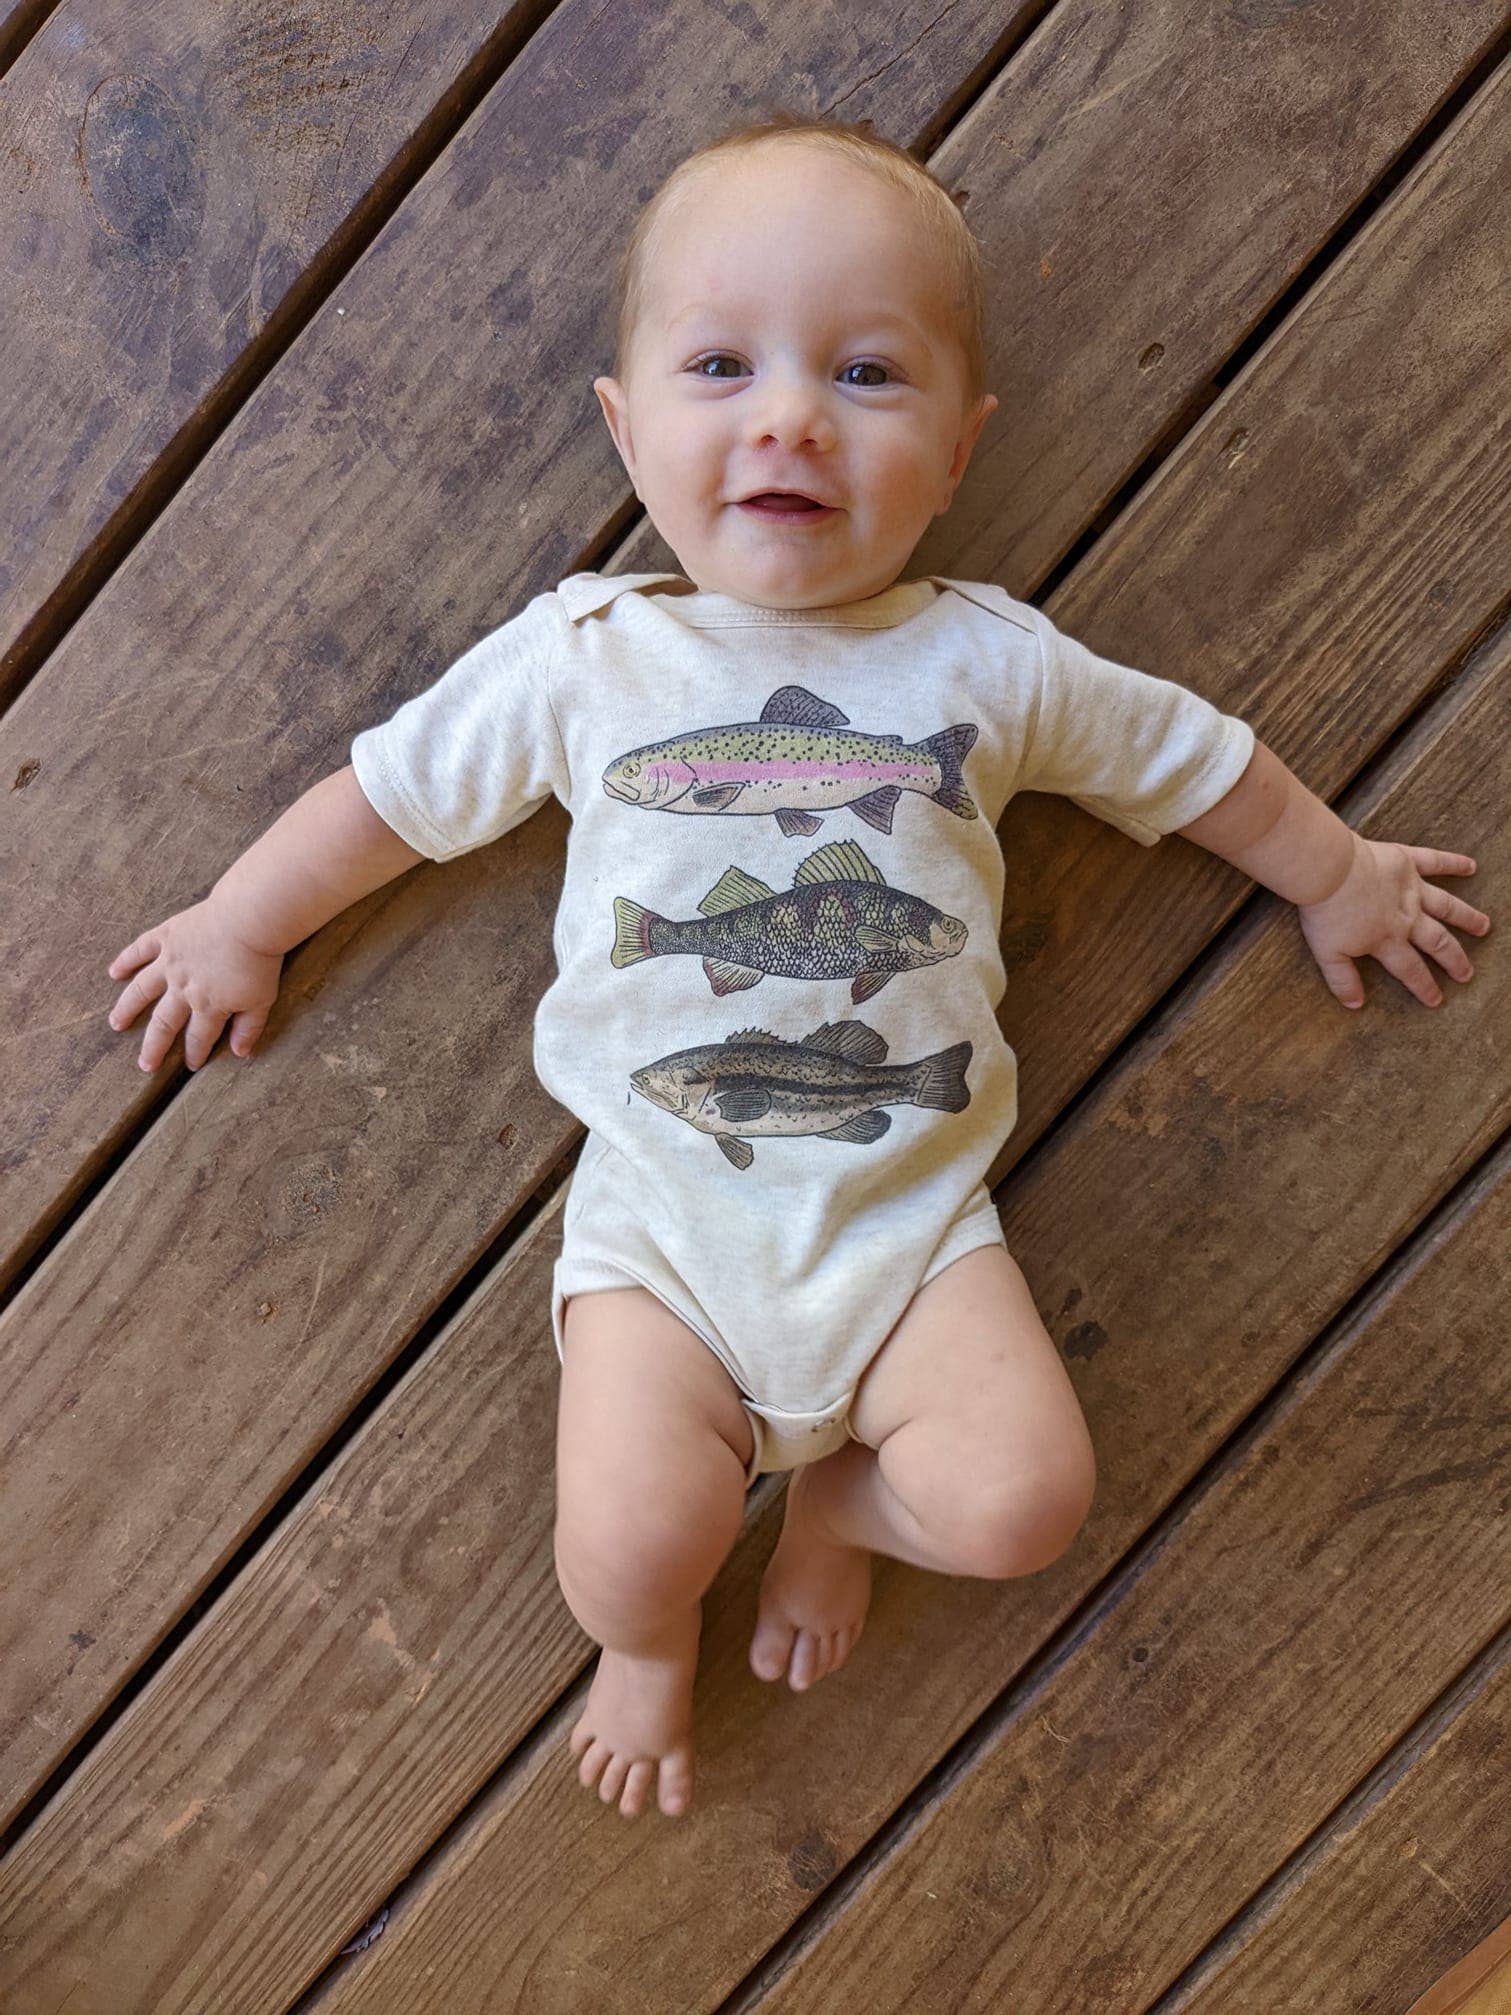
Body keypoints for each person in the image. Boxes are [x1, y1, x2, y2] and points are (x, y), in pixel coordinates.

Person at [104, 111, 1489, 1824]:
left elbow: (1189, 759)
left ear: (960, 451)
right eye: (718, 365)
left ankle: (849, 1507)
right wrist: (243, 921)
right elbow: (391, 796)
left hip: (912, 1223)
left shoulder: (991, 662)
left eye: (865, 373)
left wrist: (1338, 873)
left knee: (1023, 1502)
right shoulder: (584, 654)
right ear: (626, 428)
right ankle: (649, 1647)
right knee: (628, 1546)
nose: (788, 417)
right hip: (667, 1224)